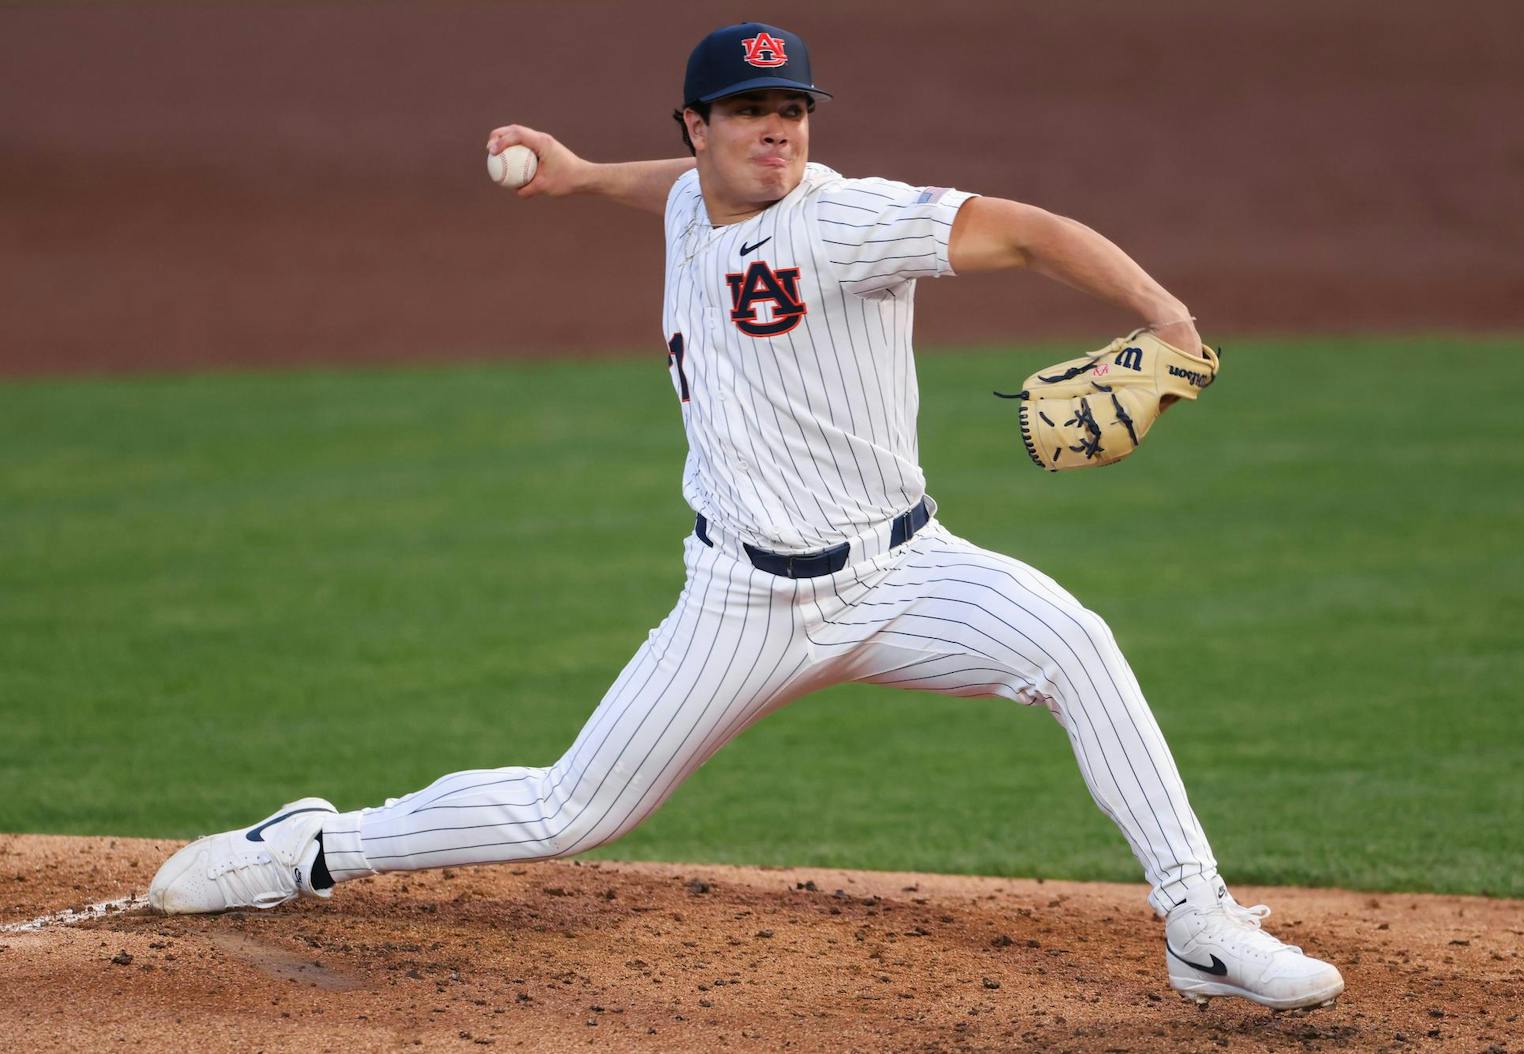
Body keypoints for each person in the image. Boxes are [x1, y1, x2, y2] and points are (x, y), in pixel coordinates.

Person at [148, 22, 1342, 1011]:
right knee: (574, 808)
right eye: (749, 111)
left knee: (1073, 641)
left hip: (904, 572)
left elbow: (1028, 231)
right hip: (742, 602)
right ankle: (307, 846)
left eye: (794, 109)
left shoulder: (843, 220)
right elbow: (671, 192)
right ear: (698, 125)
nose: (778, 130)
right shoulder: (688, 199)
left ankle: (1196, 921)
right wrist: (574, 176)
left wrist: (1164, 312)